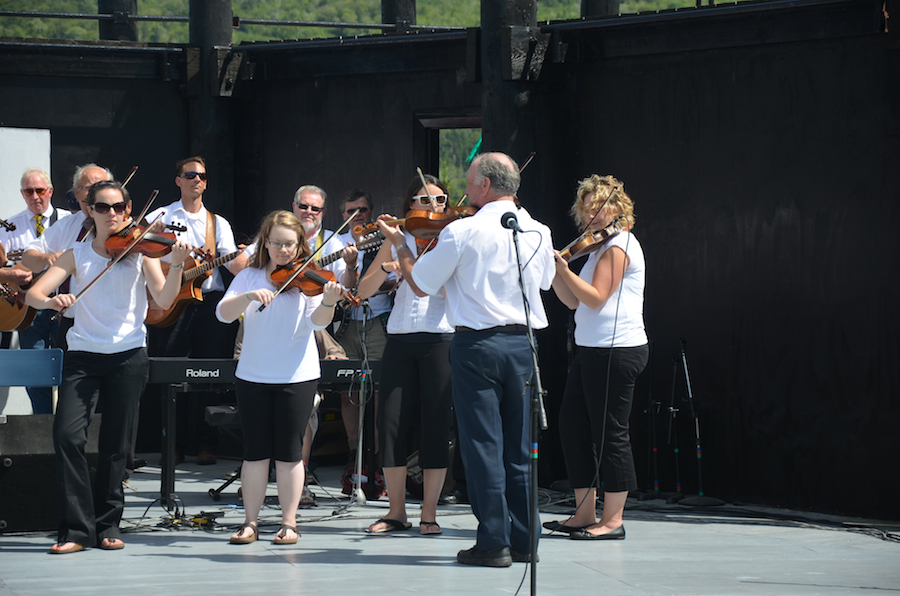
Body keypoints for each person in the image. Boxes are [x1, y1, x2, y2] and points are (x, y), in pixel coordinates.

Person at [379, 153, 555, 567]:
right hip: (524, 346)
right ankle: (526, 539)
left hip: (478, 346)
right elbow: (545, 281)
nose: (466, 188)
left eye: (471, 180)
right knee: (520, 448)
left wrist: (403, 245)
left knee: (483, 447)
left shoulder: (463, 230)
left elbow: (420, 284)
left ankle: (494, 542)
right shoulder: (539, 231)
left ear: (485, 186)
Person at [25, 180, 190, 554]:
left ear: (128, 211)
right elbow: (34, 294)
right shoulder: (76, 254)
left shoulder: (143, 253)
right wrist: (54, 302)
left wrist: (176, 265)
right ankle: (75, 529)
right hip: (83, 356)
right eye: (103, 207)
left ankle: (108, 523)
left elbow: (163, 299)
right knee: (67, 436)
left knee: (116, 444)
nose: (112, 214)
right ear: (91, 212)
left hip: (128, 355)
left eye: (119, 207)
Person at [216, 210, 341, 545]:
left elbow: (318, 323)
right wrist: (247, 297)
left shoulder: (307, 279)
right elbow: (223, 314)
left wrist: (328, 301)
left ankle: (289, 523)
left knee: (289, 452)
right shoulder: (249, 277)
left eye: (290, 244)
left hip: (296, 375)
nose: (284, 251)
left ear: (300, 244)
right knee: (255, 452)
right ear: (265, 244)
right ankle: (250, 522)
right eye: (277, 244)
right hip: (253, 374)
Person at [545, 174, 648, 541]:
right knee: (572, 426)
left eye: (600, 206)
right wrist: (561, 273)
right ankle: (584, 511)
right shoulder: (595, 250)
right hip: (592, 349)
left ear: (617, 209)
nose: (592, 213)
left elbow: (595, 297)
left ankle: (613, 520)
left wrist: (563, 270)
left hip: (617, 350)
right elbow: (573, 300)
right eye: (586, 207)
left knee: (610, 435)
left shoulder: (621, 245)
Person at [358, 174, 454, 536]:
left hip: (440, 338)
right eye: (425, 201)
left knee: (434, 425)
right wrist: (387, 267)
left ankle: (429, 512)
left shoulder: (450, 238)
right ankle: (396, 511)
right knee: (391, 424)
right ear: (410, 207)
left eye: (440, 200)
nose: (434, 208)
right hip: (400, 336)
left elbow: (443, 287)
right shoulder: (399, 239)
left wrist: (410, 263)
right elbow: (364, 290)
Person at [146, 156, 241, 465]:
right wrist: (156, 239)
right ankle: (170, 443)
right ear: (178, 181)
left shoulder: (218, 223)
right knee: (169, 373)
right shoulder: (161, 214)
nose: (196, 180)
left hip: (209, 302)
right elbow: (141, 252)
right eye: (189, 175)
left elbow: (234, 263)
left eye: (201, 175)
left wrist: (254, 259)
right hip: (171, 301)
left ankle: (205, 443)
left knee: (209, 375)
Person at [22, 163, 114, 351]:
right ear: (77, 193)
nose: (97, 194)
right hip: (69, 317)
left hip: (108, 320)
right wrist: (45, 259)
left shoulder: (119, 226)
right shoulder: (67, 225)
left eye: (103, 187)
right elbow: (28, 256)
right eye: (90, 189)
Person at [334, 189, 394, 476]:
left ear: (371, 212)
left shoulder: (385, 239)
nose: (357, 215)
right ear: (343, 216)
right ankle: (354, 452)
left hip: (378, 319)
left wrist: (372, 284)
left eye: (362, 210)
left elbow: (393, 280)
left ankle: (379, 455)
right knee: (348, 390)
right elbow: (336, 286)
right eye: (350, 211)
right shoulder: (336, 243)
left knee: (381, 389)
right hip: (347, 322)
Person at [0, 168, 70, 414]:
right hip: (28, 307)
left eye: (40, 190)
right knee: (36, 372)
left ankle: (65, 428)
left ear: (50, 191)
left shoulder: (68, 221)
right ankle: (42, 426)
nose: (35, 196)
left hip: (64, 304)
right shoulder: (10, 226)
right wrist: (13, 276)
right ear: (22, 194)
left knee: (70, 371)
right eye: (29, 192)